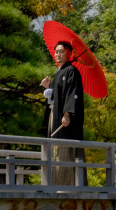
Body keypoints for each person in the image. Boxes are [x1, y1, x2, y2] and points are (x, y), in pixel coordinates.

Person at [41, 41, 86, 185]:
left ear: (69, 53)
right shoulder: (58, 73)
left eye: (61, 51)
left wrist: (67, 114)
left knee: (64, 151)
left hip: (64, 118)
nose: (58, 54)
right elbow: (55, 98)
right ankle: (53, 183)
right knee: (53, 149)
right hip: (54, 115)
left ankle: (66, 185)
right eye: (56, 52)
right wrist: (48, 88)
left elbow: (72, 94)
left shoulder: (71, 71)